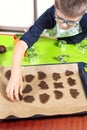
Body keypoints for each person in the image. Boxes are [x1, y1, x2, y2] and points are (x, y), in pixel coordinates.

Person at [6, 0, 87, 101]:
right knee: (35, 32)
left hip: (78, 35)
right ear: (55, 6)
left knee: (73, 40)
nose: (64, 25)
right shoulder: (48, 16)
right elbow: (21, 44)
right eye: (60, 19)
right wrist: (15, 73)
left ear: (83, 13)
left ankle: (44, 33)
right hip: (56, 29)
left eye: (71, 22)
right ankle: (40, 32)